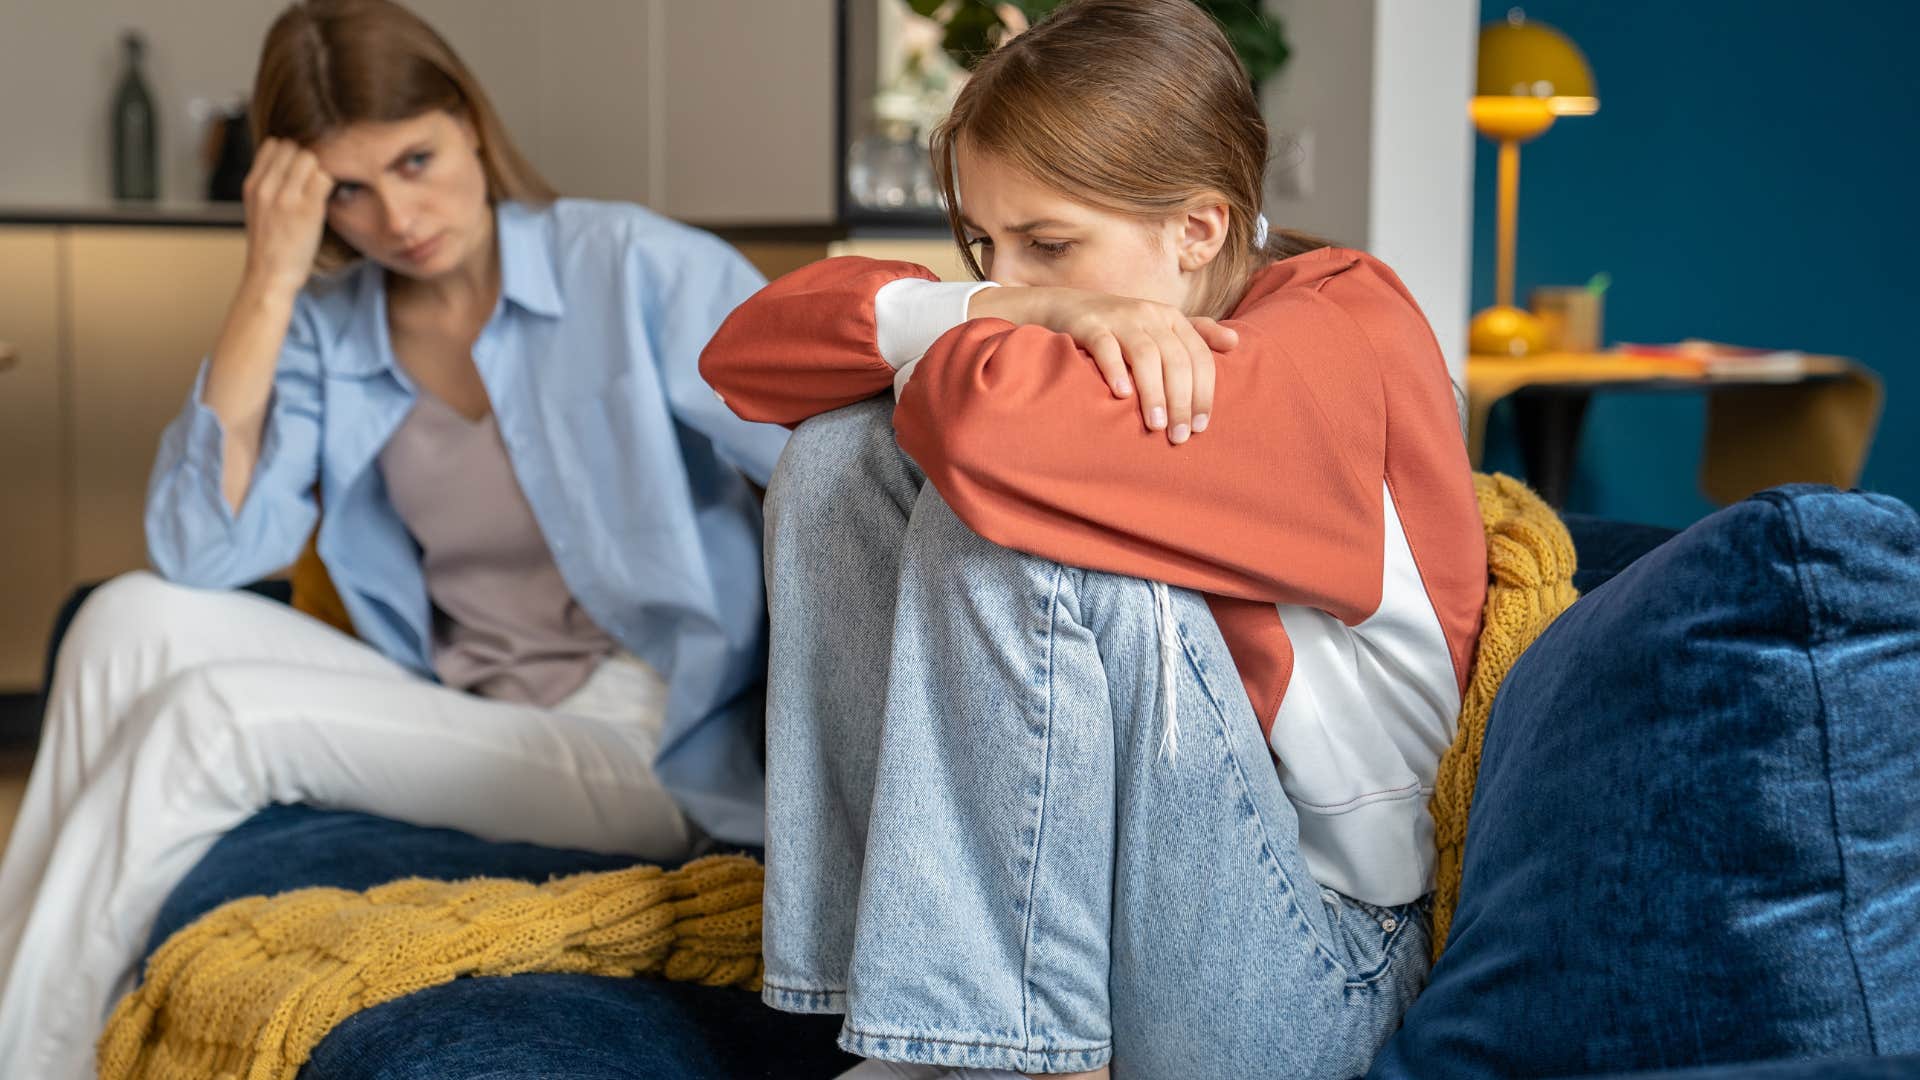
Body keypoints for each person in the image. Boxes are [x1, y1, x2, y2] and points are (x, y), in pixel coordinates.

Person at [699, 1, 1488, 1076]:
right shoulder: (1078, 314)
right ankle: (915, 1015)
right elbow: (744, 359)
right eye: (985, 243)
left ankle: (1011, 1055)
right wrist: (1030, 308)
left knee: (1012, 529)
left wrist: (990, 322)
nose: (1015, 277)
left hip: (1316, 968)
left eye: (1051, 246)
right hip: (1139, 920)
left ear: (1199, 228)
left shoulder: (1338, 337)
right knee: (837, 458)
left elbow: (989, 436)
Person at [0, 1, 784, 1074]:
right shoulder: (333, 326)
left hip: (642, 739)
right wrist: (268, 281)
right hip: (461, 706)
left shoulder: (637, 268)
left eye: (416, 160)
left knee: (212, 716)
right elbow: (202, 552)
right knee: (126, 618)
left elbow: (822, 454)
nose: (398, 216)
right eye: (347, 191)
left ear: (467, 121)